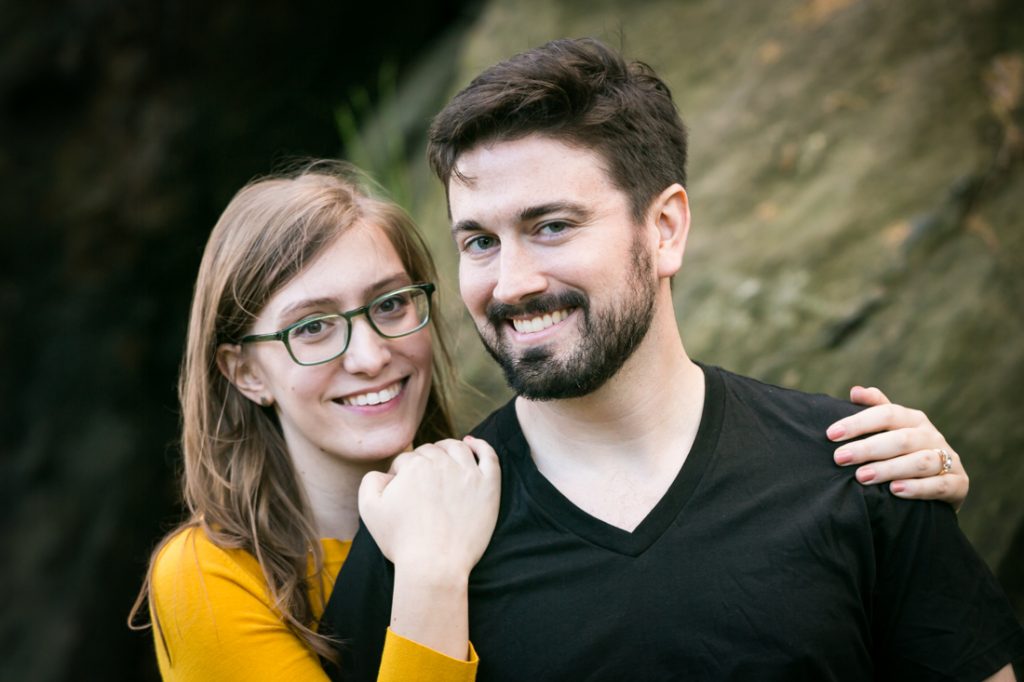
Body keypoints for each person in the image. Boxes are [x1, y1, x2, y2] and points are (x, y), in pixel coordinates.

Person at [321, 39, 1024, 680]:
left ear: (664, 229)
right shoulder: (419, 542)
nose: (510, 283)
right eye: (479, 241)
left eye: (552, 227)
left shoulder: (860, 473)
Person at [129, 161, 501, 681]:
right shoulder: (210, 575)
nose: (370, 357)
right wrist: (431, 573)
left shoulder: (497, 494)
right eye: (313, 327)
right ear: (245, 373)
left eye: (391, 303)